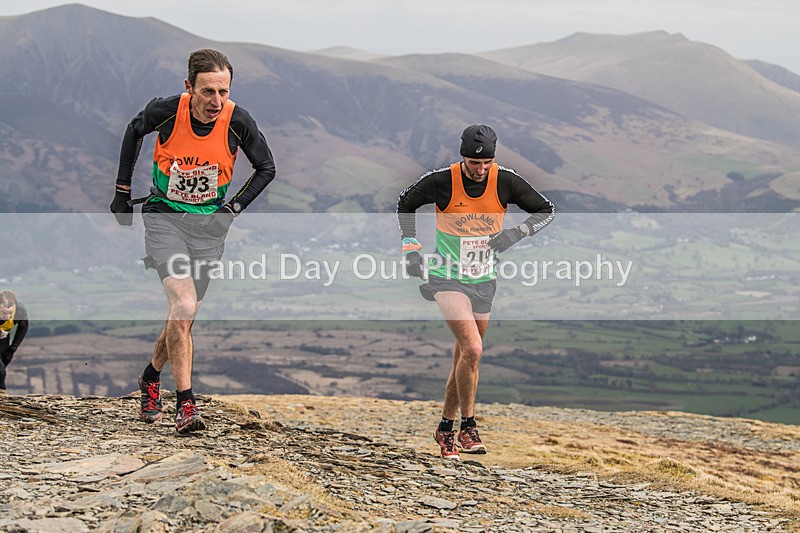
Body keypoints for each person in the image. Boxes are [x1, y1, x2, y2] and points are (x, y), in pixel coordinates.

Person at [110, 49, 276, 433]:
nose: (216, 101)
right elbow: (134, 130)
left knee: (182, 317)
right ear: (189, 87)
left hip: (207, 229)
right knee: (183, 303)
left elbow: (266, 168)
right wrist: (122, 191)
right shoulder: (167, 111)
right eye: (207, 92)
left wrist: (231, 210)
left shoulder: (238, 121)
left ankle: (150, 377)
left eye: (223, 91)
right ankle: (186, 405)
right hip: (164, 217)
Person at [397, 125, 555, 459]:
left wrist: (516, 233)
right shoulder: (443, 180)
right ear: (462, 157)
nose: (480, 170)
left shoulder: (505, 180)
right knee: (473, 347)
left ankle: (445, 429)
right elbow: (406, 203)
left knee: (465, 358)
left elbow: (546, 211)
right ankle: (468, 426)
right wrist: (411, 248)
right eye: (473, 163)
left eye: (486, 164)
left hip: (484, 279)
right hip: (446, 276)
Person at [0, 290, 29, 395]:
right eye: (4, 313)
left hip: (3, 338)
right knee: (0, 371)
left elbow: (23, 327)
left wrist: (13, 347)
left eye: (10, 313)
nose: (7, 317)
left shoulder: (20, 311)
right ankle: (2, 395)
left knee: (5, 360)